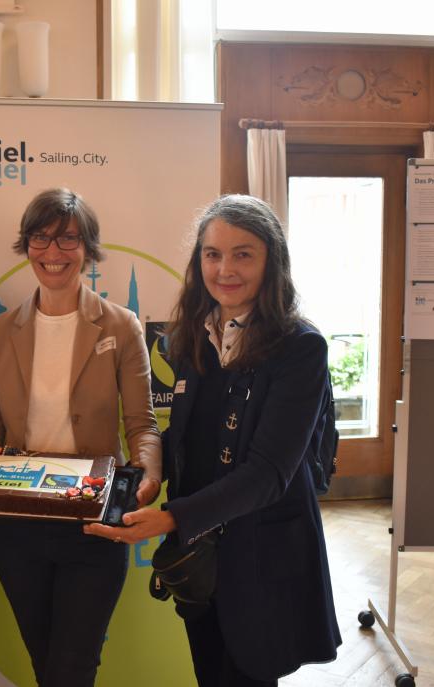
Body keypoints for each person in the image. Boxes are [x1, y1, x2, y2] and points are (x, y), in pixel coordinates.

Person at [0, 188, 161, 687]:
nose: (53, 253)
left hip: (93, 524)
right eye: (41, 239)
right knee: (44, 662)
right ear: (26, 247)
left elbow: (142, 426)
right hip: (17, 527)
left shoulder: (121, 326)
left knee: (73, 666)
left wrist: (149, 474)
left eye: (68, 239)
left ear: (87, 248)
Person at [86, 194, 341, 686]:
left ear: (272, 260)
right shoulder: (191, 337)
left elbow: (269, 473)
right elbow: (182, 437)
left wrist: (171, 518)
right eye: (212, 254)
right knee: (209, 670)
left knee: (250, 672)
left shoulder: (301, 348)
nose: (225, 269)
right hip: (199, 557)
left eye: (243, 254)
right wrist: (148, 477)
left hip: (263, 556)